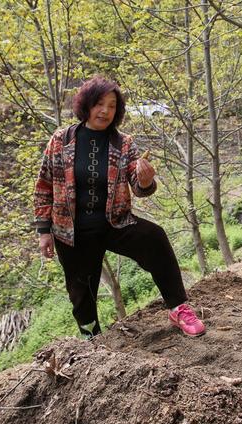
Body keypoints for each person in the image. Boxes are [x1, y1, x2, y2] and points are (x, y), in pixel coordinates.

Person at [33, 76, 205, 339]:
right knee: (81, 290)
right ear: (86, 105)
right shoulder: (61, 140)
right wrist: (44, 230)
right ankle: (91, 338)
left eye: (112, 106)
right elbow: (44, 184)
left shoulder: (123, 143)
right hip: (70, 231)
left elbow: (138, 185)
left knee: (155, 238)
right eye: (99, 104)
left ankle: (178, 308)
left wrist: (146, 180)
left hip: (115, 223)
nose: (105, 111)